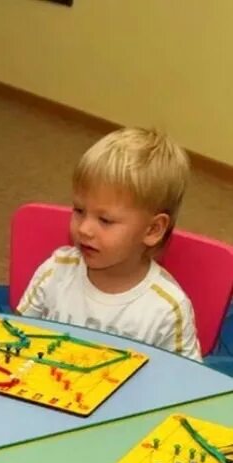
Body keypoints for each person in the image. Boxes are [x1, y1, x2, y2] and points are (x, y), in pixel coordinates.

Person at [17, 127, 201, 360]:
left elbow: (186, 376)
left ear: (152, 230)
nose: (84, 229)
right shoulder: (56, 270)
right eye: (79, 210)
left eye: (105, 220)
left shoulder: (167, 309)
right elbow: (16, 337)